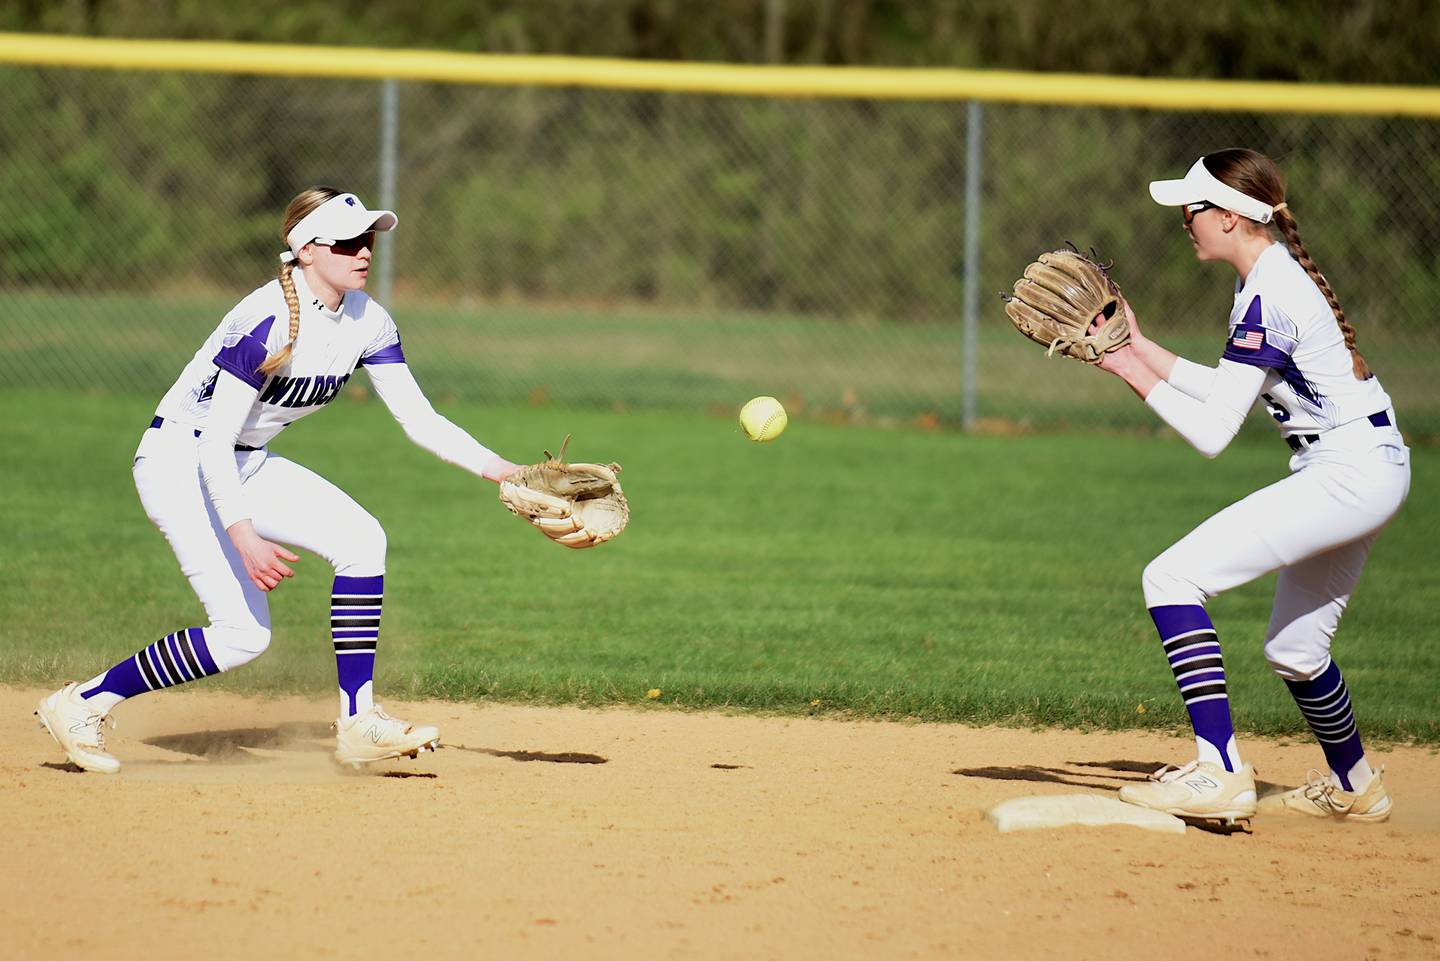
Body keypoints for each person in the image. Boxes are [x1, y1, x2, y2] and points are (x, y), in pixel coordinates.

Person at [35, 187, 520, 773]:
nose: (363, 251)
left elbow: (419, 419)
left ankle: (358, 720)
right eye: (346, 241)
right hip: (177, 463)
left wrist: (506, 472)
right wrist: (244, 535)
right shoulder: (265, 318)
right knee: (242, 636)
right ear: (307, 251)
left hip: (245, 461)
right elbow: (211, 440)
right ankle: (83, 702)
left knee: (363, 540)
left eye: (368, 239)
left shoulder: (368, 320)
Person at [1095, 149, 1410, 824]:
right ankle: (1356, 784)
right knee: (1295, 651)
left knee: (1170, 577)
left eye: (1194, 207)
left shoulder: (1270, 292)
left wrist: (1125, 368)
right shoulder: (1269, 280)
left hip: (1349, 471)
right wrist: (1138, 348)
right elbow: (1228, 387)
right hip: (1370, 465)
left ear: (1233, 218)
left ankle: (1219, 769)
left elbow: (1214, 431)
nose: (1185, 218)